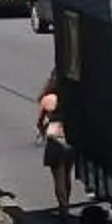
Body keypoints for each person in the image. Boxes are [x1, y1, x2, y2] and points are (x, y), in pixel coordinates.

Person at [35, 82, 75, 213]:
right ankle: (67, 203)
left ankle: (63, 207)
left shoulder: (47, 99)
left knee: (58, 177)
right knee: (67, 175)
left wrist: (42, 131)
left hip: (54, 140)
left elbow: (39, 122)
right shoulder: (70, 98)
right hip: (68, 139)